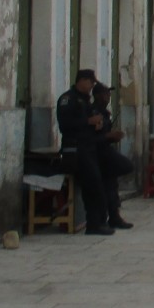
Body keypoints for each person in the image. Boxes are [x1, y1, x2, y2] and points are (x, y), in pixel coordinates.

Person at [55, 69, 117, 236]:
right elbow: (65, 125)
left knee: (98, 184)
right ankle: (95, 223)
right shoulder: (68, 99)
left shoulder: (85, 101)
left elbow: (93, 119)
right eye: (90, 83)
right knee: (93, 186)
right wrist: (87, 122)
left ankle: (97, 222)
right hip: (76, 150)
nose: (91, 87)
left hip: (89, 148)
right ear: (81, 80)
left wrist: (98, 124)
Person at [90, 83, 135, 226]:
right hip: (98, 153)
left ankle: (114, 216)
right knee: (124, 167)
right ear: (97, 95)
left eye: (109, 94)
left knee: (111, 184)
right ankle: (107, 216)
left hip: (106, 152)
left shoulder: (104, 113)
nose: (108, 97)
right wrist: (109, 136)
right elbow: (91, 137)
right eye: (105, 94)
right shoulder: (93, 112)